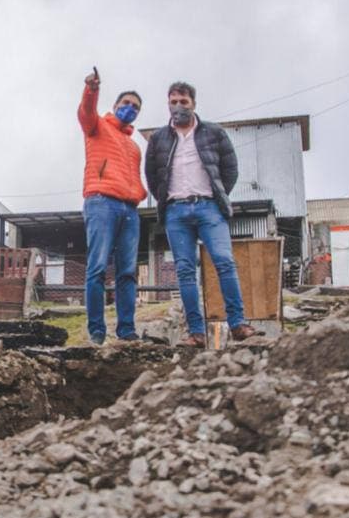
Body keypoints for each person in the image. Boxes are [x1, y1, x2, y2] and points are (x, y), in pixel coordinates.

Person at [144, 81, 257, 345]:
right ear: (168, 104)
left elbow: (230, 169)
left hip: (209, 208)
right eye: (173, 102)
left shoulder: (214, 133)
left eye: (183, 102)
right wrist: (167, 200)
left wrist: (216, 195)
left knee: (224, 262)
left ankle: (238, 324)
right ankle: (195, 332)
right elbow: (152, 176)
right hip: (176, 211)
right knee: (185, 270)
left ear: (193, 104)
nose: (178, 106)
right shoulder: (159, 138)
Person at [78, 69, 148, 345]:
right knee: (97, 268)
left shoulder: (134, 147)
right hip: (101, 202)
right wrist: (91, 89)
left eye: (135, 107)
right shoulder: (97, 126)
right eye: (126, 103)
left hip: (130, 210)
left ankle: (127, 331)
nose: (130, 108)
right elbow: (85, 112)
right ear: (116, 104)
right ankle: (97, 332)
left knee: (127, 272)